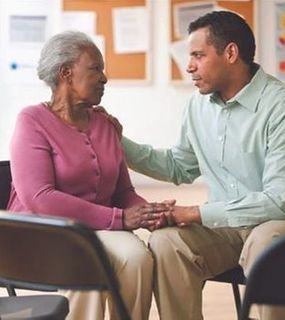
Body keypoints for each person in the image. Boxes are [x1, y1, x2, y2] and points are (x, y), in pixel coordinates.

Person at [120, 11, 285, 320]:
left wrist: (193, 212)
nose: (189, 66)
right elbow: (179, 166)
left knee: (267, 242)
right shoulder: (198, 106)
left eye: (198, 55)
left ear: (230, 53)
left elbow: (282, 202)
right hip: (229, 224)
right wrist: (117, 142)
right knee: (167, 242)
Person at [7, 31, 169, 320]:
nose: (104, 78)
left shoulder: (105, 124)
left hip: (95, 232)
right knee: (87, 267)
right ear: (66, 73)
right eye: (96, 68)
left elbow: (123, 192)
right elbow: (39, 198)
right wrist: (118, 219)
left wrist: (149, 212)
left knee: (138, 259)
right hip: (40, 234)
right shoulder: (31, 121)